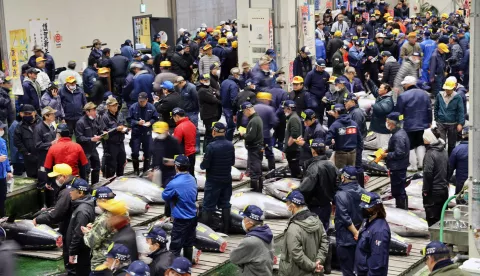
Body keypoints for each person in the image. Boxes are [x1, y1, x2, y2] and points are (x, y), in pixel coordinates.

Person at [34, 164, 77, 272]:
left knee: (70, 254)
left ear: (64, 176)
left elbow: (56, 215)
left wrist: (38, 219)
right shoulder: (75, 183)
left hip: (70, 228)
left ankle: (71, 272)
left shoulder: (67, 192)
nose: (56, 180)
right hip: (74, 225)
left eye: (57, 177)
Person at [279, 190, 328, 276]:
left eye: (287, 203)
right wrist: (319, 260)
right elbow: (324, 241)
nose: (286, 206)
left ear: (293, 206)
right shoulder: (317, 220)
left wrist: (313, 266)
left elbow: (296, 254)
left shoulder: (293, 228)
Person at [200, 122, 235, 232]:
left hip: (213, 180)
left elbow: (204, 165)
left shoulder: (211, 146)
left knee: (208, 206)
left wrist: (202, 163)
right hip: (226, 179)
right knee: (225, 204)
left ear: (214, 132)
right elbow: (232, 162)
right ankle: (226, 229)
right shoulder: (230, 145)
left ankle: (205, 231)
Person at [162, 155, 197, 262]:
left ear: (176, 167)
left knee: (175, 247)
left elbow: (165, 196)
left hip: (181, 219)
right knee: (188, 244)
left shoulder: (174, 183)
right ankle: (187, 268)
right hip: (193, 217)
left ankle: (174, 270)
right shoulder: (192, 178)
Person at [297, 138, 336, 231]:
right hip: (327, 205)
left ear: (313, 150)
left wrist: (294, 194)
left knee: (315, 232)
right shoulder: (331, 165)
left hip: (315, 207)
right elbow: (337, 184)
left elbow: (305, 188)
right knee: (324, 230)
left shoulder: (313, 168)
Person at [334, 166, 366, 276]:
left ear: (344, 177)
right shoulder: (363, 192)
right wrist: (360, 231)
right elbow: (367, 211)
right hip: (361, 236)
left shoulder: (340, 195)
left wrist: (355, 232)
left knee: (347, 270)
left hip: (345, 239)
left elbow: (344, 217)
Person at [395, 76, 432, 171]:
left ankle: (413, 165)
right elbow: (429, 109)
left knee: (410, 145)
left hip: (409, 125)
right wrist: (429, 121)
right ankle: (421, 164)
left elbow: (399, 112)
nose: (403, 86)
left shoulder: (403, 96)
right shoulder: (425, 94)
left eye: (404, 85)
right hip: (423, 124)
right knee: (420, 143)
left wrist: (400, 121)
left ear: (407, 85)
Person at [230, 205, 274, 276]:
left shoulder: (250, 241)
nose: (243, 220)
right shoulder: (268, 234)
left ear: (250, 223)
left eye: (244, 218)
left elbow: (233, 257)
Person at [354, 191, 391, 276]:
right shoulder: (367, 221)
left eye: (367, 208)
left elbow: (377, 263)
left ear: (376, 209)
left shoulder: (380, 231)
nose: (364, 210)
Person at [66, 178, 95, 275]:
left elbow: (78, 234)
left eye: (72, 190)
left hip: (80, 252)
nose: (70, 193)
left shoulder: (82, 211)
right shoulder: (85, 205)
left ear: (80, 193)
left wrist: (72, 253)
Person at [382, 112, 410, 210]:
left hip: (398, 167)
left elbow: (400, 153)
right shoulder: (400, 132)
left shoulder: (398, 136)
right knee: (400, 190)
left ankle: (402, 209)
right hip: (399, 166)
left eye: (387, 122)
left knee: (398, 191)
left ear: (392, 123)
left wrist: (386, 155)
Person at [127, 92, 159, 175]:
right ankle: (136, 170)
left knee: (148, 152)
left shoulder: (151, 107)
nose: (141, 102)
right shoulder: (133, 107)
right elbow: (129, 120)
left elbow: (155, 118)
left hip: (147, 133)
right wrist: (137, 122)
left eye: (143, 101)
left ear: (147, 100)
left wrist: (150, 122)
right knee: (135, 152)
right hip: (136, 133)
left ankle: (146, 170)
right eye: (140, 101)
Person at [422, 128, 448, 227]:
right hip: (444, 190)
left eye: (425, 139)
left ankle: (435, 241)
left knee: (432, 220)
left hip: (433, 192)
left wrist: (425, 190)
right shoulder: (444, 150)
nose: (423, 141)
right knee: (442, 217)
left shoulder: (430, 154)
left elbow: (428, 173)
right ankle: (443, 240)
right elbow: (448, 167)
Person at [326, 104, 363, 169]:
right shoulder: (354, 124)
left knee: (341, 175)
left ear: (336, 112)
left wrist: (332, 143)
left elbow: (327, 140)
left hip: (340, 155)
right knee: (351, 175)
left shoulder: (335, 125)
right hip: (353, 154)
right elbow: (360, 140)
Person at [75, 102, 105, 185]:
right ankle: (85, 188)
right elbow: (79, 138)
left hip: (93, 149)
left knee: (97, 167)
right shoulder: (80, 123)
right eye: (93, 110)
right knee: (86, 171)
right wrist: (91, 139)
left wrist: (103, 133)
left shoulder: (95, 120)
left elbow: (99, 131)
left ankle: (95, 186)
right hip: (84, 151)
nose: (95, 112)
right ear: (87, 112)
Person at [34, 106, 58, 205]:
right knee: (43, 182)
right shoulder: (38, 128)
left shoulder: (52, 126)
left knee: (52, 181)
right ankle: (42, 206)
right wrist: (50, 144)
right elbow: (37, 145)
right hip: (43, 160)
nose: (54, 116)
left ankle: (52, 204)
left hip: (52, 159)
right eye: (52, 114)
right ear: (46, 116)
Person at [434, 79, 465, 156]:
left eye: (449, 89)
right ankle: (442, 160)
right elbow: (436, 107)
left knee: (452, 144)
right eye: (446, 89)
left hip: (453, 123)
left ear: (453, 88)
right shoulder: (439, 95)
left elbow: (461, 111)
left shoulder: (457, 97)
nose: (447, 90)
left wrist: (460, 123)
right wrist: (436, 118)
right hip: (441, 122)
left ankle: (450, 160)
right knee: (441, 142)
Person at [101, 97, 129, 178]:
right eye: (113, 105)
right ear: (108, 106)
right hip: (111, 145)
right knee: (111, 167)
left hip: (121, 144)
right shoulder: (104, 117)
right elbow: (104, 134)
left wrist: (125, 130)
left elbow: (125, 125)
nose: (115, 107)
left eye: (116, 105)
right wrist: (116, 129)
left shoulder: (120, 114)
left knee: (122, 164)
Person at [239, 102, 264, 191]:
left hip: (255, 149)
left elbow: (251, 137)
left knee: (255, 172)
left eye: (244, 112)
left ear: (248, 110)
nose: (244, 114)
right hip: (257, 148)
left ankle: (256, 191)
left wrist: (243, 135)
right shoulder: (256, 118)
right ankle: (259, 189)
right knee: (257, 170)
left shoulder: (254, 121)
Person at [14, 104, 41, 178]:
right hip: (29, 158)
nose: (28, 115)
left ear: (34, 113)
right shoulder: (19, 126)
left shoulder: (42, 123)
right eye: (26, 114)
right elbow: (17, 142)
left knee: (44, 177)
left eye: (30, 113)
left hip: (42, 156)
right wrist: (26, 153)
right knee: (32, 177)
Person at [175, 76, 200, 152]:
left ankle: (197, 147)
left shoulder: (192, 88)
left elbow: (197, 100)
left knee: (194, 129)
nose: (178, 86)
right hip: (184, 112)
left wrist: (196, 110)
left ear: (181, 82)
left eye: (178, 84)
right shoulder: (181, 88)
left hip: (192, 112)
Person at [197, 74, 222, 151]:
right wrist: (216, 96)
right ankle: (207, 150)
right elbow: (214, 100)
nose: (207, 81)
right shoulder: (202, 90)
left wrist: (215, 94)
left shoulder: (208, 88)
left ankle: (208, 149)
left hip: (213, 114)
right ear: (201, 80)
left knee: (210, 133)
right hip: (208, 115)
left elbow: (217, 93)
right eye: (205, 80)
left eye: (208, 79)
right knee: (210, 133)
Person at [254, 92, 278, 171]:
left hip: (255, 136)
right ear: (265, 100)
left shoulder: (253, 108)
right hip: (266, 136)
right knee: (269, 153)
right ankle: (272, 171)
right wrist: (268, 127)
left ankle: (257, 172)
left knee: (255, 154)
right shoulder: (270, 109)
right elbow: (275, 121)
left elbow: (244, 121)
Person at [171, 107, 196, 177]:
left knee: (183, 176)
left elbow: (175, 144)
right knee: (191, 174)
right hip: (192, 153)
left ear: (177, 116)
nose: (173, 120)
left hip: (184, 156)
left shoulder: (179, 127)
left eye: (173, 117)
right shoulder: (192, 124)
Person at [282, 100, 303, 178]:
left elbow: (294, 134)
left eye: (284, 108)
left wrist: (287, 146)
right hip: (292, 149)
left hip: (293, 150)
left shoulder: (293, 118)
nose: (284, 110)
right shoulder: (292, 117)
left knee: (295, 171)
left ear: (289, 108)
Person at [305, 59, 330, 123]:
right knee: (314, 109)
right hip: (313, 96)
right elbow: (306, 86)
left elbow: (327, 86)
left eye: (324, 67)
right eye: (321, 67)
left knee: (321, 112)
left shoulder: (326, 74)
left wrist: (326, 95)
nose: (323, 69)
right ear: (317, 66)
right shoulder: (310, 74)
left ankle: (320, 126)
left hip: (322, 97)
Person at [220, 68, 241, 141]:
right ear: (235, 74)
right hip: (231, 109)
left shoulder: (224, 82)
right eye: (238, 74)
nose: (239, 76)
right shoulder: (234, 85)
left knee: (228, 125)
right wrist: (235, 113)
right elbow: (234, 100)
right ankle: (228, 141)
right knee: (231, 127)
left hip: (225, 107)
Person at [449, 128, 468, 194]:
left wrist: (446, 180)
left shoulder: (457, 149)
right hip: (476, 182)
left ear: (463, 136)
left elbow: (450, 168)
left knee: (461, 201)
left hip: (461, 182)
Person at [0, 122, 11, 217]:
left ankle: (2, 217)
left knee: (3, 197)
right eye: (0, 129)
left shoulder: (2, 141)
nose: (2, 131)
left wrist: (8, 171)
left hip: (2, 175)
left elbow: (6, 158)